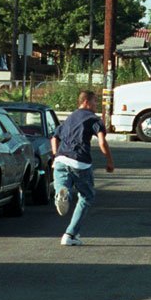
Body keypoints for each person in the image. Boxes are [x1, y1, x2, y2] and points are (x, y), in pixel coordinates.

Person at [50, 88, 115, 247]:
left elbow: (54, 138)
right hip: (80, 162)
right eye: (94, 102)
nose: (96, 105)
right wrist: (109, 161)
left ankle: (61, 193)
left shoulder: (69, 118)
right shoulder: (94, 119)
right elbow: (101, 142)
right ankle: (70, 234)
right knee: (87, 197)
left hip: (61, 159)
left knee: (61, 183)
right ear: (86, 102)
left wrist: (55, 155)